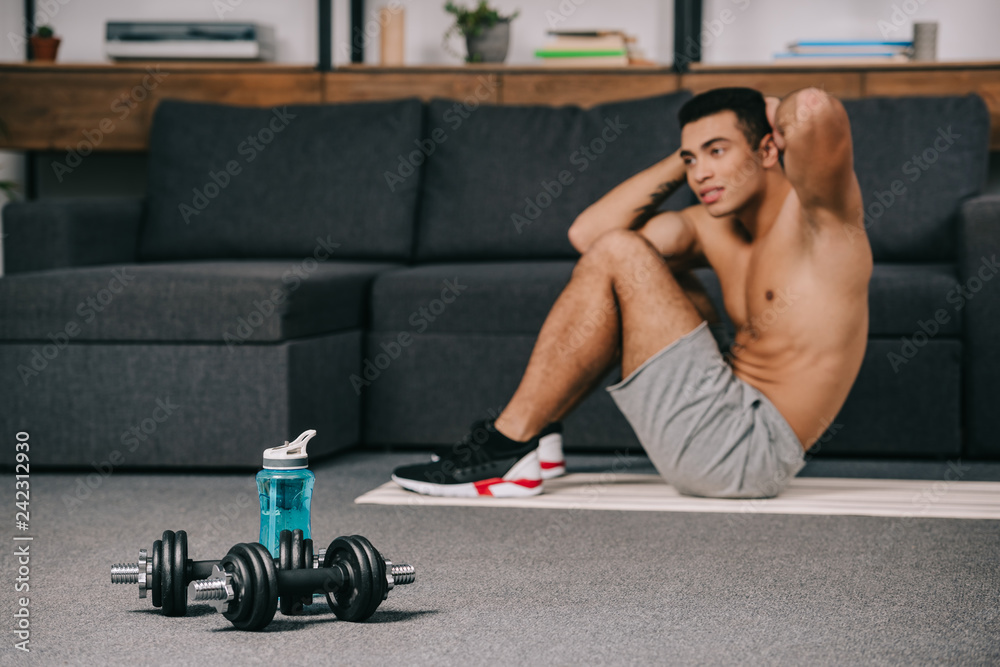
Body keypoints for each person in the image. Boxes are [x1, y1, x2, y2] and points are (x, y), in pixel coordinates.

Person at [391, 86, 873, 499]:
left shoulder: (822, 222)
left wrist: (761, 107)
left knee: (624, 253)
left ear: (768, 150)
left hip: (748, 453)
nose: (700, 173)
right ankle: (539, 433)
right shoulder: (713, 228)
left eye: (717, 151)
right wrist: (688, 154)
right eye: (691, 159)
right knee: (631, 257)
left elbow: (811, 109)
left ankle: (508, 444)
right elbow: (589, 236)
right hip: (721, 410)